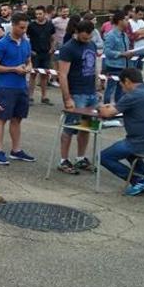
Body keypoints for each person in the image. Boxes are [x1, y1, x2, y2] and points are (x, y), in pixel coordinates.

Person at [98, 68, 144, 196]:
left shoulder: (132, 95)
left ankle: (138, 180)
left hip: (140, 143)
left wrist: (100, 106)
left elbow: (106, 113)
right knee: (128, 150)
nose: (122, 88)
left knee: (104, 157)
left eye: (121, 85)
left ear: (127, 81)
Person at [0, 12, 36, 165]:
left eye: (25, 28)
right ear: (14, 25)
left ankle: (16, 150)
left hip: (21, 86)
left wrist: (28, 67)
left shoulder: (25, 42)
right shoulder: (2, 44)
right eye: (21, 27)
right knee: (2, 118)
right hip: (5, 86)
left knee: (17, 118)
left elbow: (29, 61)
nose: (24, 30)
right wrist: (13, 69)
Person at [56, 20, 100, 175]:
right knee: (70, 127)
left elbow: (93, 67)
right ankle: (63, 160)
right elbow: (62, 75)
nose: (87, 39)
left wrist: (96, 87)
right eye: (84, 37)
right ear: (77, 32)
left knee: (86, 127)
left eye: (89, 37)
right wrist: (67, 98)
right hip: (76, 93)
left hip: (90, 93)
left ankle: (80, 157)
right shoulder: (68, 48)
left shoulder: (91, 45)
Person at [103, 12, 134, 113]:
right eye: (125, 19)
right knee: (111, 88)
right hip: (114, 66)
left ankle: (117, 109)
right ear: (120, 21)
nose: (127, 21)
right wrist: (122, 54)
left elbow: (126, 48)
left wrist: (130, 53)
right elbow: (107, 52)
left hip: (124, 65)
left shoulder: (124, 35)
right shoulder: (111, 35)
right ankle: (106, 108)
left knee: (121, 90)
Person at [26, 6, 55, 105]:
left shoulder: (50, 25)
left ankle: (44, 96)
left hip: (46, 53)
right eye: (37, 14)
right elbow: (26, 38)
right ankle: (30, 96)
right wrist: (30, 50)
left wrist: (52, 48)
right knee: (33, 75)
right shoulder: (31, 26)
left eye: (40, 14)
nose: (38, 16)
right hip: (35, 53)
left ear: (45, 14)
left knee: (44, 75)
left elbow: (52, 38)